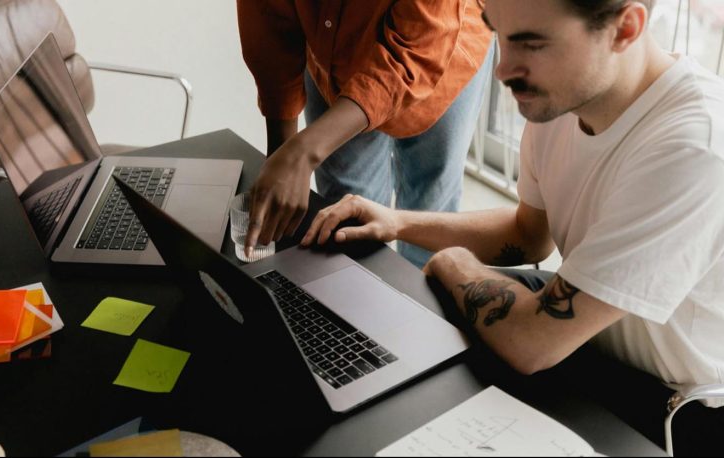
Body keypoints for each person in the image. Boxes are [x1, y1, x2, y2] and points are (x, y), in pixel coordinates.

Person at [300, 0, 724, 453]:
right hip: (588, 340)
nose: (503, 70)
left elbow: (532, 343)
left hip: (673, 407)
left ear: (625, 29)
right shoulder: (563, 97)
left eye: (531, 44)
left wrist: (453, 263)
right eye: (498, 34)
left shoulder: (695, 147)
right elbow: (527, 234)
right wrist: (398, 222)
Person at [236, 0, 494, 267]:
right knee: (345, 217)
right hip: (334, 55)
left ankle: (418, 304)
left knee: (429, 210)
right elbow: (267, 14)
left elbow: (416, 51)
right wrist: (284, 151)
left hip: (441, 53)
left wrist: (303, 153)